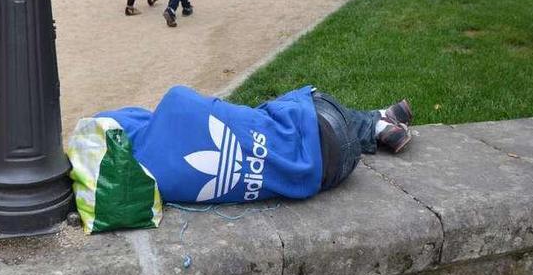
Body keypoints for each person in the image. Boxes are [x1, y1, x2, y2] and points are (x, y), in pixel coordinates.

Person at [68, 85, 413, 210]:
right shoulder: (178, 103)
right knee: (275, 114)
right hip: (324, 124)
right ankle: (376, 122)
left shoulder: (160, 187)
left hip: (330, 173)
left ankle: (380, 121)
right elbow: (137, 115)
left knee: (281, 121)